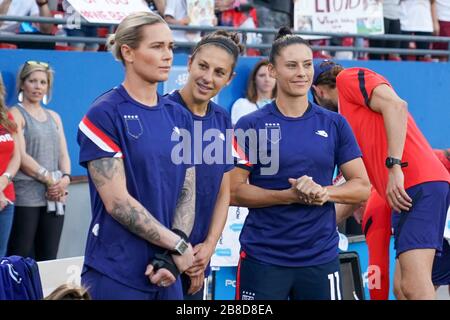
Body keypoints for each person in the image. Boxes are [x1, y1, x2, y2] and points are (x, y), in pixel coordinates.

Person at [230, 27, 371, 300]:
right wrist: (289, 196)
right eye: (291, 66)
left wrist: (322, 192)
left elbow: (361, 186)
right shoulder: (250, 125)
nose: (302, 73)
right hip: (264, 258)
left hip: (321, 257)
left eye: (307, 65)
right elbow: (233, 192)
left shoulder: (334, 123)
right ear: (272, 70)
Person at [77, 11, 196, 300]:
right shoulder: (104, 113)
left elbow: (186, 188)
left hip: (167, 271)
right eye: (157, 47)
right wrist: (179, 246)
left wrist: (174, 251)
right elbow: (117, 202)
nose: (168, 55)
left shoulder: (180, 115)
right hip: (116, 271)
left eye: (170, 47)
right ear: (128, 52)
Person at [312, 59, 450, 299]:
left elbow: (397, 105)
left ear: (317, 91)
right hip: (413, 188)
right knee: (405, 288)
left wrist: (395, 166)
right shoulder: (348, 123)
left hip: (416, 182)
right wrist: (310, 229)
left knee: (414, 286)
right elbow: (353, 194)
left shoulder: (348, 79)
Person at [166, 30, 243, 299]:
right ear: (189, 63)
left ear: (229, 78)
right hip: (159, 258)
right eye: (203, 66)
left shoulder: (222, 120)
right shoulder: (162, 112)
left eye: (219, 72)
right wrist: (177, 250)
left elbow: (224, 192)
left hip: (198, 260)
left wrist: (209, 247)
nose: (208, 78)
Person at [7, 61, 71, 262]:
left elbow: (63, 154)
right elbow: (21, 156)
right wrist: (51, 180)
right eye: (32, 81)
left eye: (42, 82)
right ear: (22, 84)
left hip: (55, 197)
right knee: (20, 255)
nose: (37, 86)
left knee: (49, 257)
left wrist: (65, 180)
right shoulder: (15, 114)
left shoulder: (54, 116)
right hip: (26, 195)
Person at [0, 73, 20, 258]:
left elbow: (16, 156)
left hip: (6, 199)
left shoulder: (6, 117)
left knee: (1, 257)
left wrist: (3, 182)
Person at [230, 58, 276, 126]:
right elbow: (237, 133)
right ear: (254, 79)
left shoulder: (284, 106)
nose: (267, 79)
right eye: (262, 75)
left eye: (271, 75)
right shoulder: (242, 104)